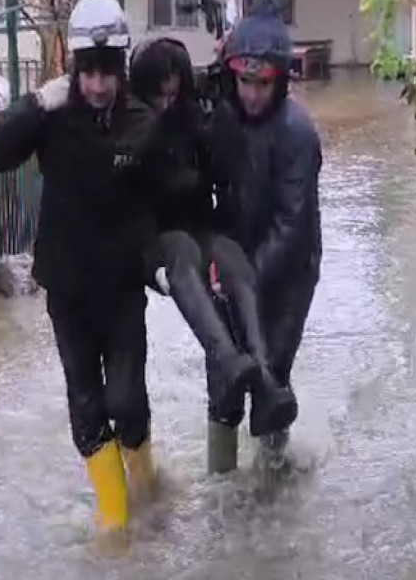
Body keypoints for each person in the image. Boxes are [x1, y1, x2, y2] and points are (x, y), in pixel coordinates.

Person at [0, 0, 158, 540]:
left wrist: (170, 260)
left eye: (108, 73)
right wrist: (36, 103)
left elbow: (163, 196)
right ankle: (116, 526)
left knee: (126, 400)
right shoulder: (51, 117)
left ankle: (148, 485)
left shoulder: (142, 120)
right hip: (68, 287)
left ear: (122, 67)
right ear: (74, 67)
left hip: (124, 286)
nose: (98, 85)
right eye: (88, 72)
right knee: (86, 404)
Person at [127, 36, 297, 474]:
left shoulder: (202, 114)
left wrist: (213, 130)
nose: (166, 101)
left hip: (207, 233)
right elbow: (131, 207)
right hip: (161, 243)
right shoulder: (133, 128)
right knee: (186, 253)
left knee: (232, 256)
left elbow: (224, 182)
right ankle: (226, 359)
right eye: (157, 92)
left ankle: (261, 376)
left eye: (173, 90)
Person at [209, 7, 323, 461]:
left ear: (280, 81)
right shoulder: (223, 116)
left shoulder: (297, 133)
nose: (252, 94)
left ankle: (271, 485)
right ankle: (220, 482)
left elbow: (291, 225)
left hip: (289, 274)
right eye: (243, 82)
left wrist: (244, 279)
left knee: (270, 371)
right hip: (237, 257)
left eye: (262, 84)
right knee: (222, 377)